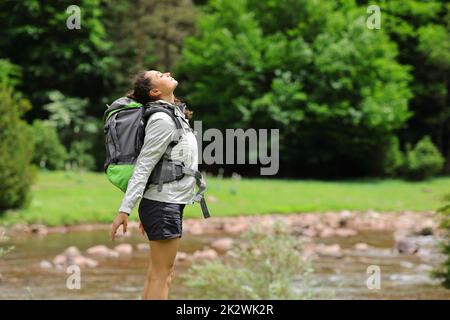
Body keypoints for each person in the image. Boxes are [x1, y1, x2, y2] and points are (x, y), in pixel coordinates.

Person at [110, 70, 198, 300]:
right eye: (160, 74)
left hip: (166, 203)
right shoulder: (162, 119)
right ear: (155, 91)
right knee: (162, 275)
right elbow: (144, 165)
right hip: (163, 203)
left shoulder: (174, 114)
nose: (167, 72)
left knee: (159, 275)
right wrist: (125, 209)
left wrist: (148, 210)